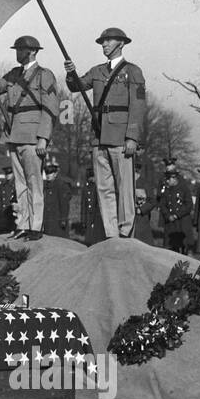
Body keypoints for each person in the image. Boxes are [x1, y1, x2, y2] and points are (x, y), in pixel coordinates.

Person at [64, 26, 147, 239]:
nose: (104, 45)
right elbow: (77, 86)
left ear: (121, 43)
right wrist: (70, 72)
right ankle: (111, 234)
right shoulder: (97, 71)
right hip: (99, 136)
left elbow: (137, 107)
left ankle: (125, 231)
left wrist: (132, 137)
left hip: (121, 138)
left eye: (108, 41)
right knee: (104, 188)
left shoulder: (133, 71)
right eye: (102, 42)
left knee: (125, 188)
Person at [0, 36, 59, 241]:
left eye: (21, 49)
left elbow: (50, 108)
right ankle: (23, 224)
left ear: (32, 51)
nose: (17, 52)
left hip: (33, 136)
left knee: (34, 182)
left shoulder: (44, 75)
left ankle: (36, 225)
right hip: (13, 135)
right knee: (20, 184)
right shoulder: (14, 74)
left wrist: (43, 138)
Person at [157, 170, 194, 253]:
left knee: (184, 246)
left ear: (174, 179)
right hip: (170, 222)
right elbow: (162, 205)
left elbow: (189, 205)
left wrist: (177, 215)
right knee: (171, 247)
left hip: (182, 222)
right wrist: (167, 215)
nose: (167, 181)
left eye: (168, 179)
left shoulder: (184, 189)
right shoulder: (166, 190)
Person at [41, 162, 73, 237]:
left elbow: (64, 204)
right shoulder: (45, 186)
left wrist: (63, 219)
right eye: (47, 173)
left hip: (58, 219)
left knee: (59, 240)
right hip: (48, 219)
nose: (48, 175)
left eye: (51, 173)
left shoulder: (61, 185)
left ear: (55, 174)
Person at [79, 164, 106, 245]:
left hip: (97, 216)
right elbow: (83, 205)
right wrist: (83, 220)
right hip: (88, 216)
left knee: (98, 238)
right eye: (90, 178)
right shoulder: (85, 188)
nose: (92, 179)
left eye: (93, 177)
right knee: (89, 239)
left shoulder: (98, 187)